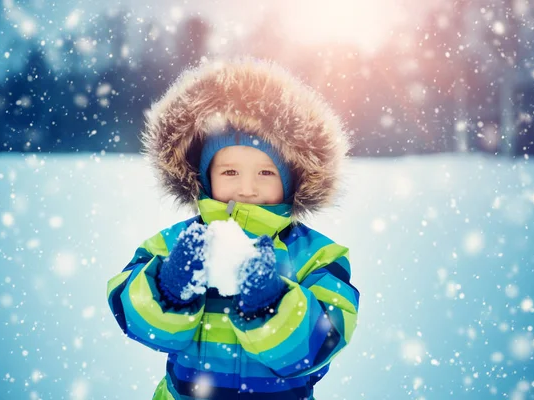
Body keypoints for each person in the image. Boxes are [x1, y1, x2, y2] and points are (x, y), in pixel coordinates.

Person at [107, 58, 361, 400]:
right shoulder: (175, 244)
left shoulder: (316, 255)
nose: (247, 188)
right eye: (230, 172)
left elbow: (322, 343)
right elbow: (138, 319)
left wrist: (270, 304)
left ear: (292, 180)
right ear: (203, 176)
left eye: (266, 173)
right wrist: (169, 288)